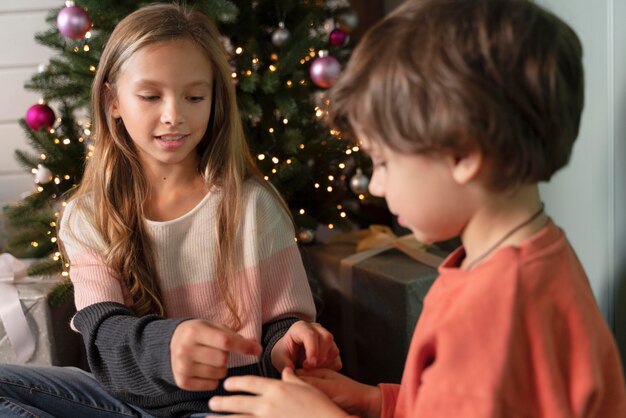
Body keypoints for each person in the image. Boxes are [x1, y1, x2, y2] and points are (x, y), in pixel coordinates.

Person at [206, 0, 626, 417]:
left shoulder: (492, 314)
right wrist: (381, 401)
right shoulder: (534, 256)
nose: (376, 184)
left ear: (463, 154)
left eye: (385, 162)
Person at [0, 4, 340, 418]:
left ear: (215, 99)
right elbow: (104, 336)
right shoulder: (87, 216)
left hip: (227, 406)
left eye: (194, 96)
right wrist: (168, 346)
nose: (174, 116)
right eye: (149, 96)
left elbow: (280, 329)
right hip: (125, 403)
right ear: (112, 101)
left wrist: (291, 343)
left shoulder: (253, 206)